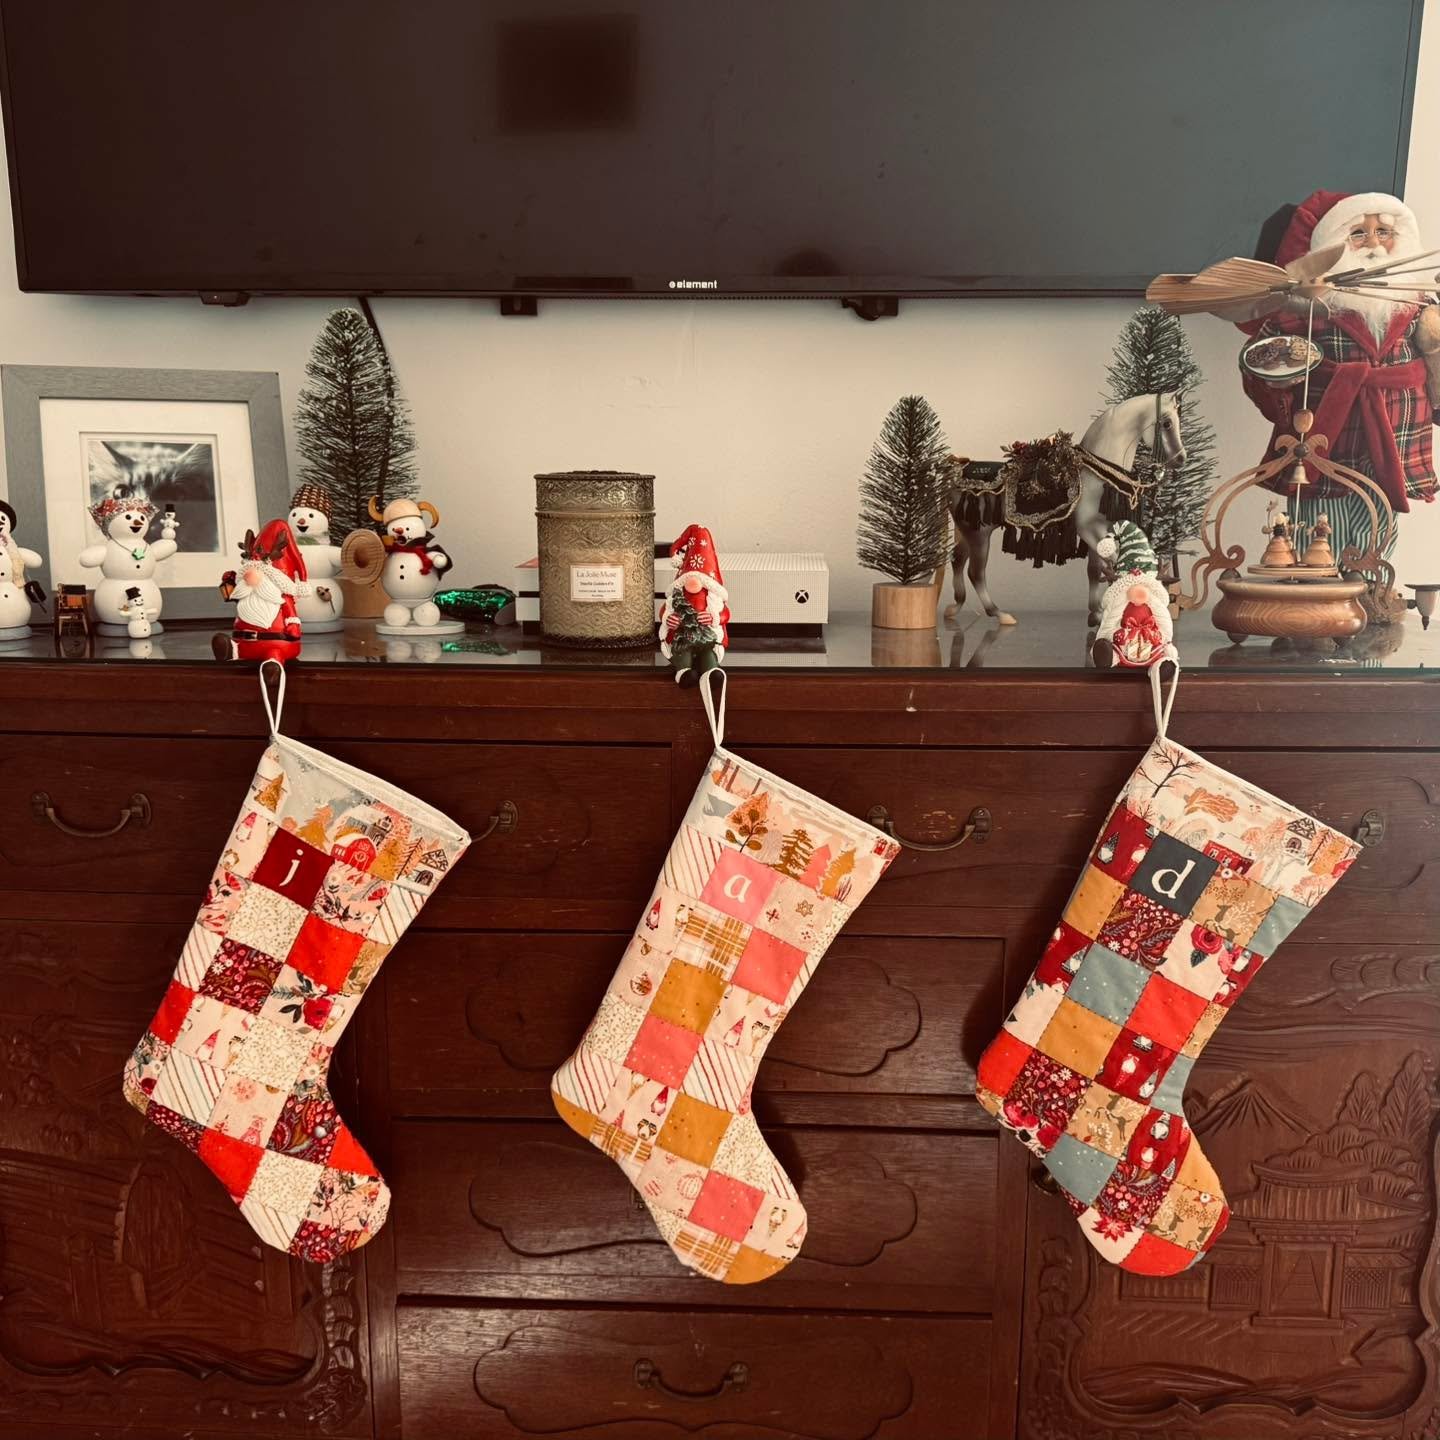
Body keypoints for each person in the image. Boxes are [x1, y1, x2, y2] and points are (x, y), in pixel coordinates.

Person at [1239, 190, 1438, 566]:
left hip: (1396, 429)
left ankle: (1367, 585)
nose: (1374, 243)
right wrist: (1277, 382)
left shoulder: (1418, 303)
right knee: (1316, 505)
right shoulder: (1306, 307)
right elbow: (1261, 359)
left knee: (1380, 507)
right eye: (1359, 234)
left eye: (1384, 231)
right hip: (1327, 425)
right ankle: (1311, 581)